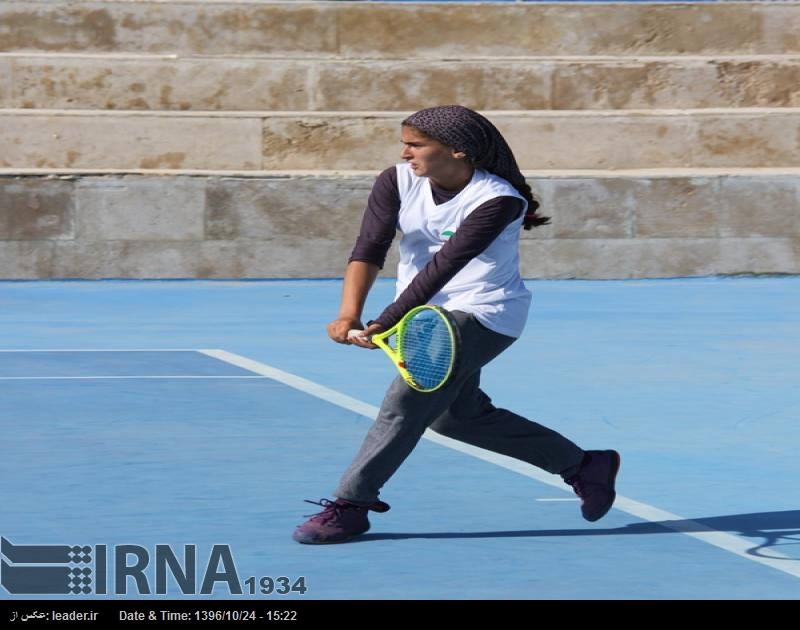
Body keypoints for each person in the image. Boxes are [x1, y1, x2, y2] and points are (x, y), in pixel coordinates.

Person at [292, 105, 620, 544]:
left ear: (458, 151)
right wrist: (349, 314)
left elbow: (443, 268)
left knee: (405, 403)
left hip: (484, 313)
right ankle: (582, 465)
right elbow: (369, 248)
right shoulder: (396, 180)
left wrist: (384, 324)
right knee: (456, 419)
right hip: (422, 316)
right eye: (404, 143)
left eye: (416, 144)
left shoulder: (497, 200)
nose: (405, 153)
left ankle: (352, 505)